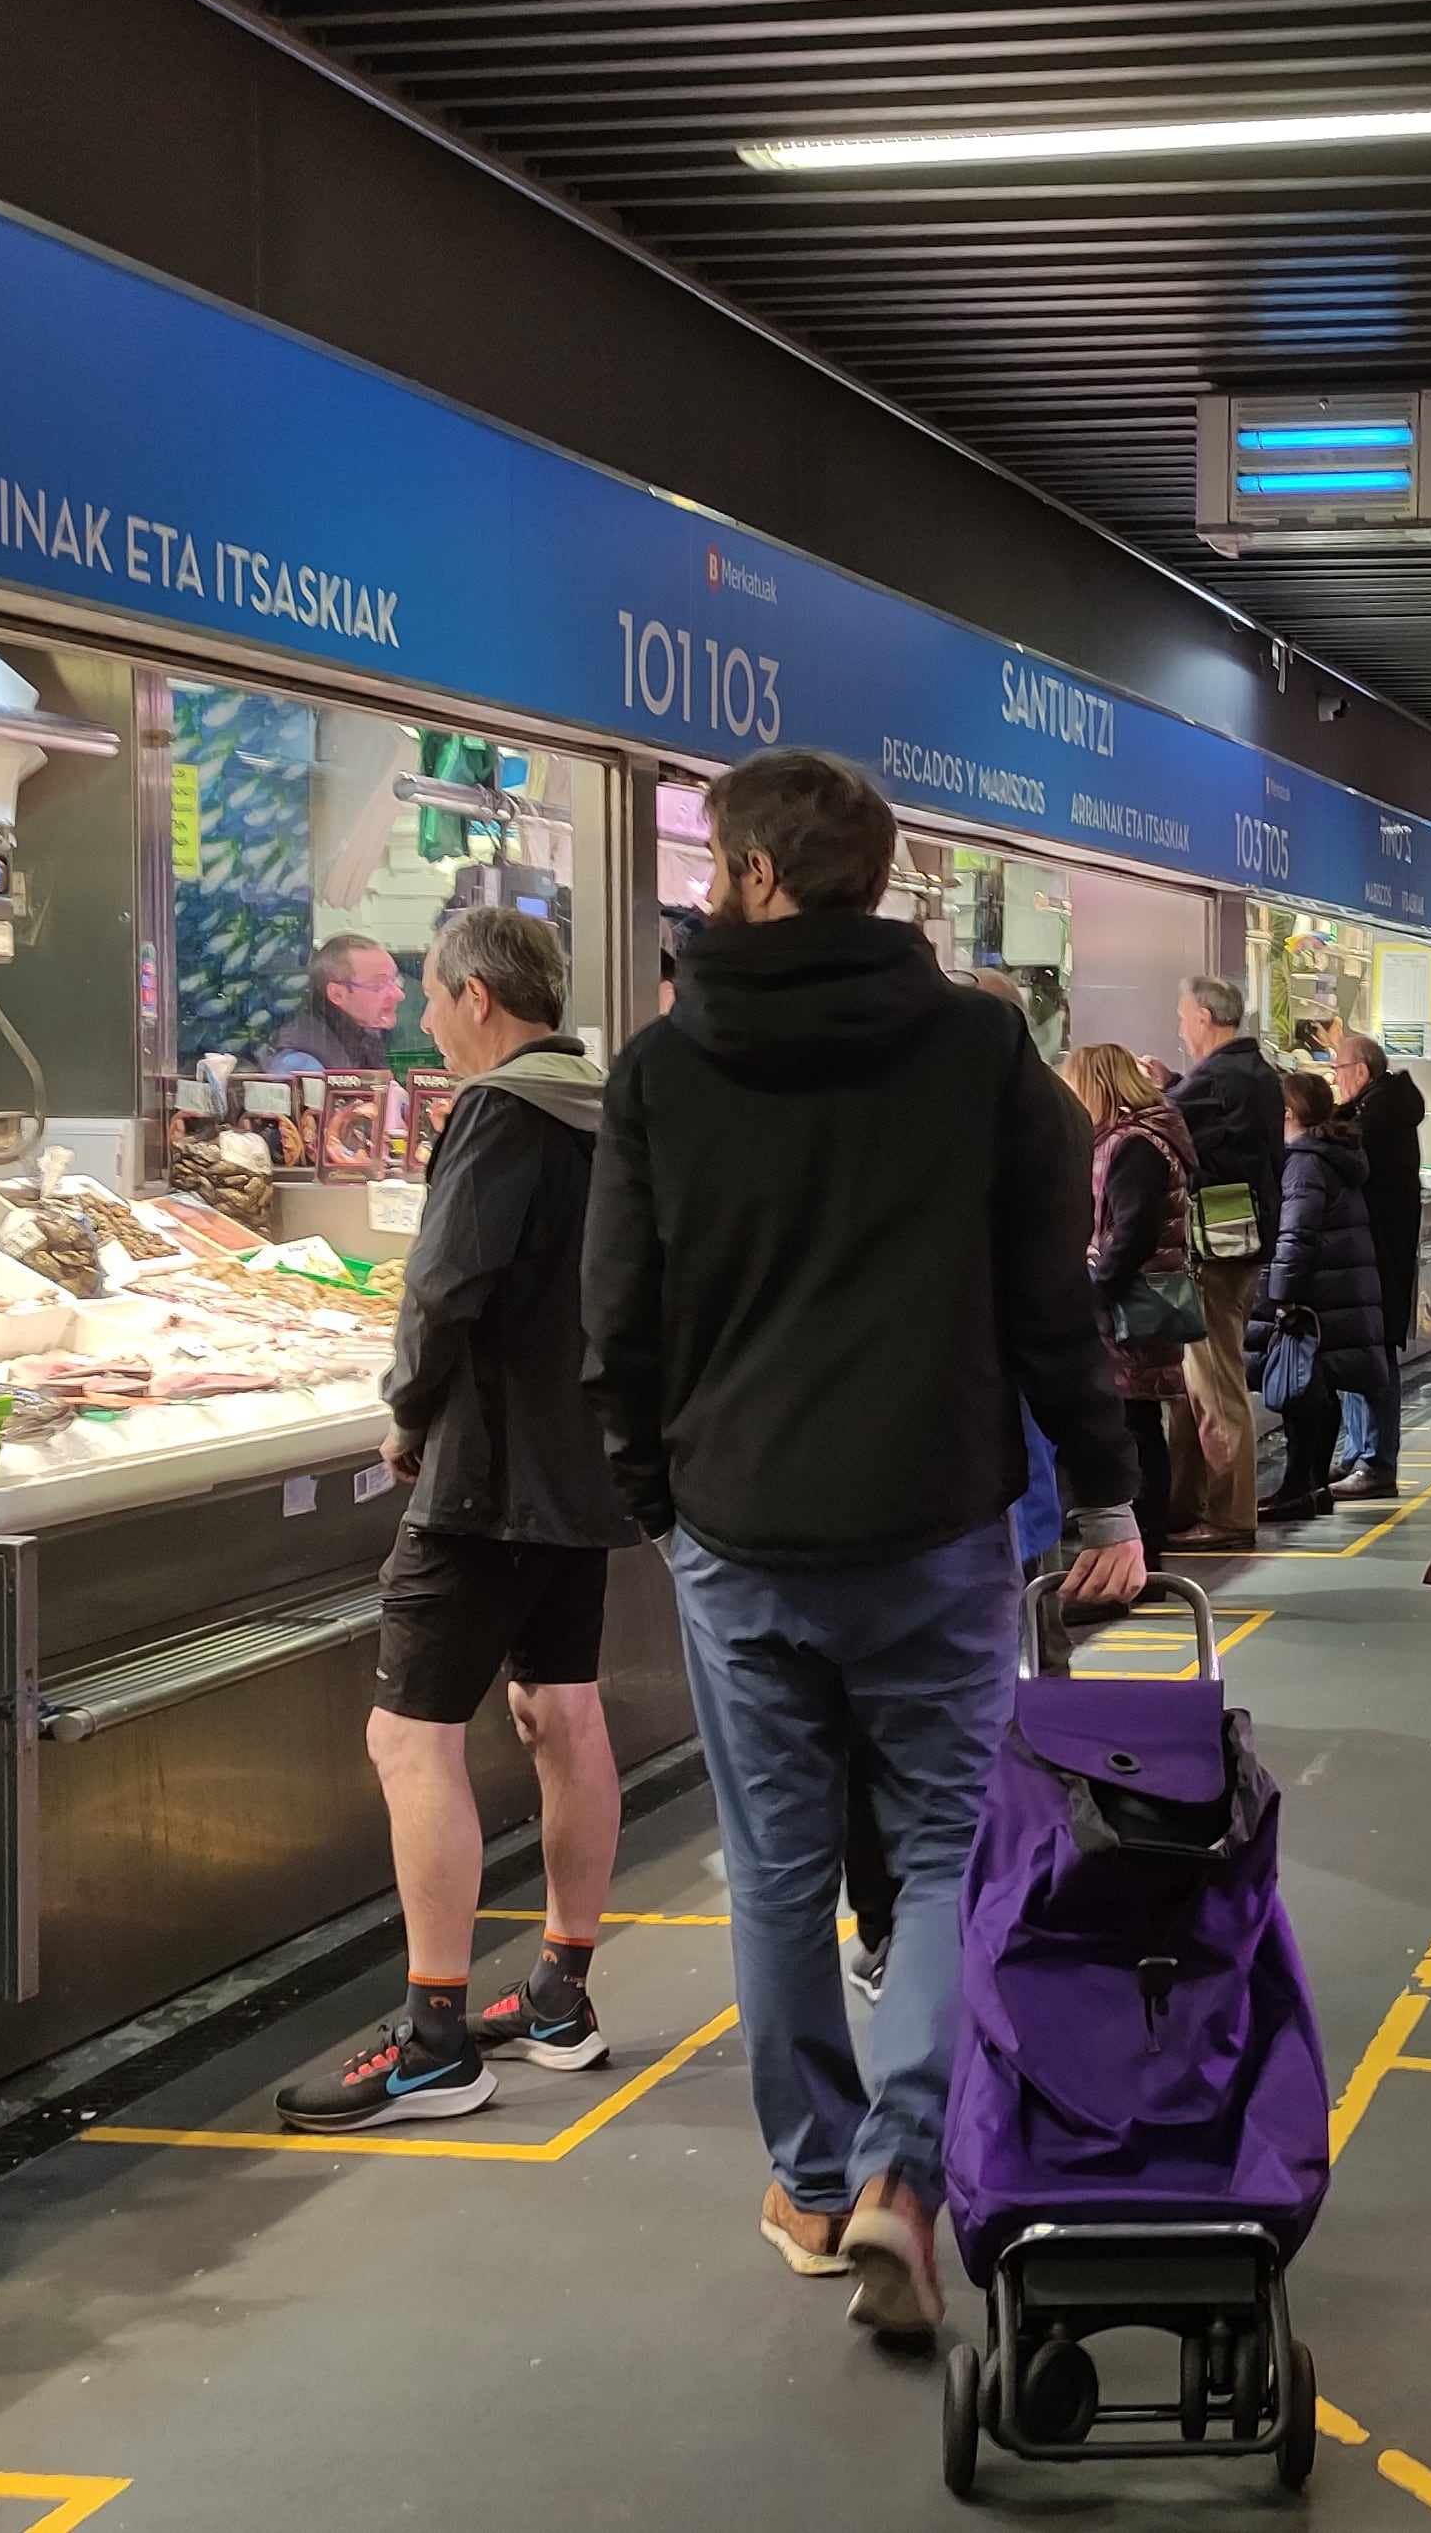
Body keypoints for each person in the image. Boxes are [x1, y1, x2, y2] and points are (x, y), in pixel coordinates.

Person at [587, 747, 1142, 2346]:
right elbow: (1053, 1306)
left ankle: (816, 2182)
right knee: (946, 1851)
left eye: (711, 856)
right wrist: (1102, 1496)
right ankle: (910, 2167)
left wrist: (655, 1490)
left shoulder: (663, 1069)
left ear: (758, 874)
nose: (702, 880)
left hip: (740, 1526)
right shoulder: (982, 1052)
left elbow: (616, 1317)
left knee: (773, 1870)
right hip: (931, 1521)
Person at [277, 910, 630, 2130]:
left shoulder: (500, 1111)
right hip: (584, 1470)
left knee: (407, 1740)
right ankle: (560, 1993)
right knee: (558, 1710)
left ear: (480, 997)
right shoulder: (612, 1105)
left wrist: (406, 1410)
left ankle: (433, 2036)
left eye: (430, 997)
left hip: (486, 1477)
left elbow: (443, 1284)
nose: (425, 1022)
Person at [1068, 1043, 1201, 1552]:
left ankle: (1145, 1542)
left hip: (1131, 1306)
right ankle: (1148, 1541)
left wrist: (1098, 1283)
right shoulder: (1144, 1137)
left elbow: (1133, 1231)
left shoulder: (1133, 1146)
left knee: (1136, 1426)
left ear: (1096, 1085)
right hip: (1139, 1300)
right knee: (1139, 1422)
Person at [1165, 977, 1284, 1539]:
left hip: (1213, 1249)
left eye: (1184, 1014)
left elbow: (1166, 1123)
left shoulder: (1218, 1077)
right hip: (1242, 1243)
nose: (1179, 1025)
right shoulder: (1253, 1072)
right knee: (1198, 1384)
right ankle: (1187, 1502)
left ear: (1207, 1016)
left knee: (1215, 1384)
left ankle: (1231, 1514)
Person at [1260, 1070, 1393, 1527]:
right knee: (1319, 1388)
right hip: (1342, 1291)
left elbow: (1297, 1233)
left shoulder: (1303, 1161)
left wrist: (1282, 1293)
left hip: (1317, 1297)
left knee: (1302, 1393)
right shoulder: (1337, 1154)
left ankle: (1299, 1486)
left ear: (1289, 1113)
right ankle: (1313, 1486)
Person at [1326, 1032, 1426, 1496]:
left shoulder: (1378, 1116)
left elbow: (1348, 1161)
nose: (1335, 1080)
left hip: (1378, 1252)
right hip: (1370, 1252)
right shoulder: (1380, 1108)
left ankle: (1376, 1460)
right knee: (1357, 1348)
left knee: (1372, 1351)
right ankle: (1357, 1451)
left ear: (1361, 1072)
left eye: (1338, 1070)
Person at [266, 933, 406, 1072]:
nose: (399, 994)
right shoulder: (299, 1063)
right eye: (379, 984)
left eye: (395, 980)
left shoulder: (362, 1036)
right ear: (337, 994)